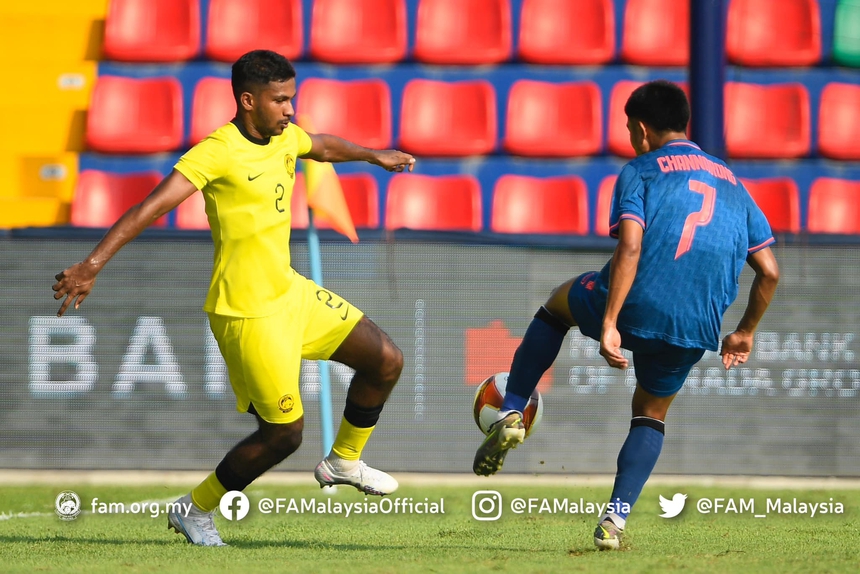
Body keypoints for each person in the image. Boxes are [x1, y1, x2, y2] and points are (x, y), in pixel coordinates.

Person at [53, 50, 416, 546]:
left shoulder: (284, 135)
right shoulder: (217, 151)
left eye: (292, 98)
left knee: (386, 360)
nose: (290, 110)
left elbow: (323, 147)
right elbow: (150, 206)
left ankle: (343, 461)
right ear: (248, 101)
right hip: (248, 314)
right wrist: (92, 264)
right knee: (283, 436)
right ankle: (194, 508)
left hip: (291, 293)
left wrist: (374, 155)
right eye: (280, 100)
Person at [472, 80, 780, 550]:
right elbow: (770, 272)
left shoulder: (641, 169)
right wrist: (744, 332)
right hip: (697, 324)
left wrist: (611, 321)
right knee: (650, 415)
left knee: (557, 305)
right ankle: (614, 521)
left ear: (639, 127)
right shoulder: (735, 184)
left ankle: (512, 408)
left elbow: (631, 243)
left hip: (636, 301)